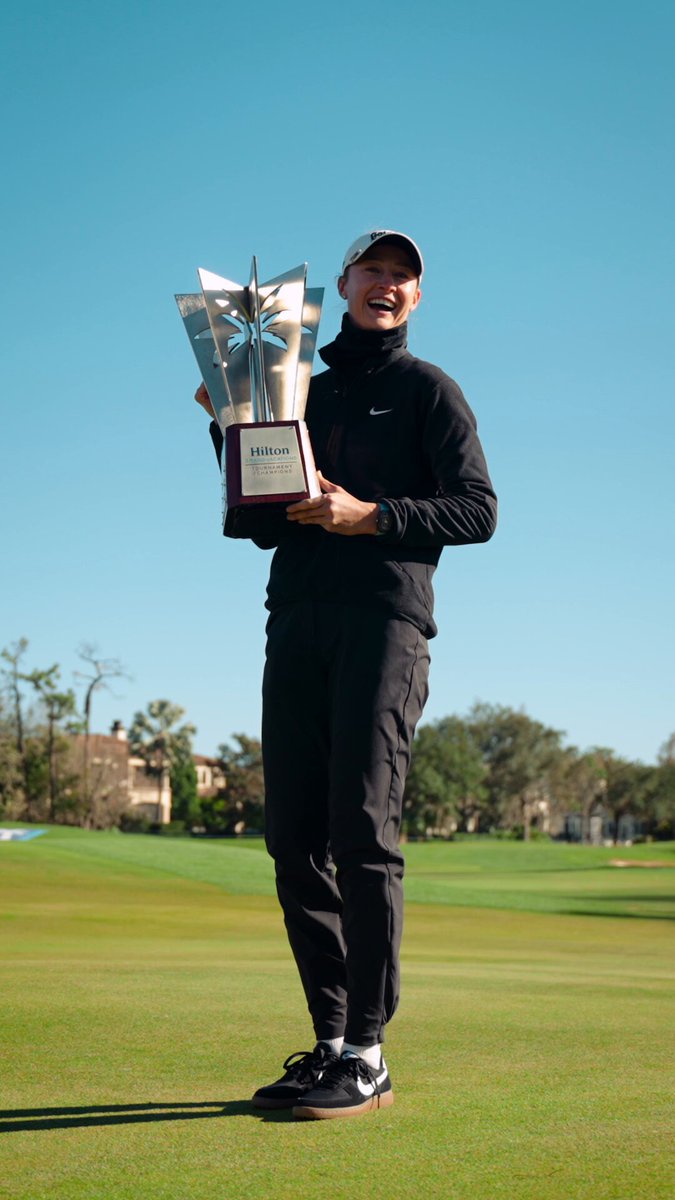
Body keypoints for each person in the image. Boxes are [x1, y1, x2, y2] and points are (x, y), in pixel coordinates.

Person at [196, 229, 497, 1120]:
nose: (388, 284)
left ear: (416, 296)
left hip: (384, 624)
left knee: (362, 833)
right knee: (292, 838)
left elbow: (477, 510)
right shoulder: (297, 392)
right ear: (344, 283)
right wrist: (227, 427)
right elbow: (260, 523)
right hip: (294, 617)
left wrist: (371, 515)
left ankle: (368, 1052)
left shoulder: (427, 390)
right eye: (375, 270)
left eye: (403, 276)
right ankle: (329, 1042)